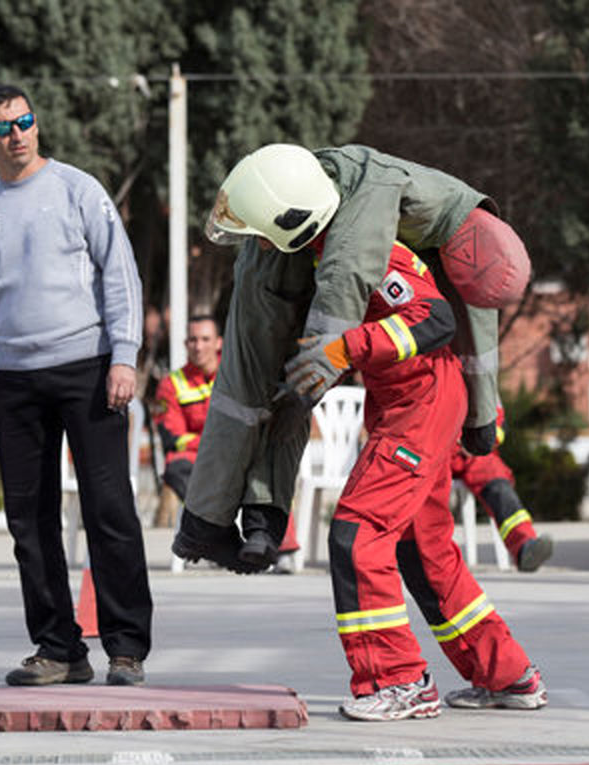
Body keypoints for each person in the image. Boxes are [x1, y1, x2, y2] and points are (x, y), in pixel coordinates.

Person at [171, 144, 531, 573]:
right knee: (257, 388)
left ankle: (255, 521)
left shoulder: (405, 217)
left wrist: (482, 415)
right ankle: (223, 523)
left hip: (409, 389)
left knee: (283, 390)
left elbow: (357, 279)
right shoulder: (353, 207)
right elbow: (350, 276)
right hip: (298, 275)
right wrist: (329, 355)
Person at [291, 236, 546, 720]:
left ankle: (399, 680)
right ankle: (507, 674)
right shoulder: (345, 247)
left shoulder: (368, 251)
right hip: (418, 403)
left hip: (419, 407)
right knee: (424, 554)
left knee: (357, 534)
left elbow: (432, 318)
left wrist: (344, 350)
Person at [0, 85, 152, 686]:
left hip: (87, 370)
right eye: (4, 127)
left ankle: (125, 648)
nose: (18, 134)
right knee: (29, 519)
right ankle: (59, 648)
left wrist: (124, 356)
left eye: (26, 121)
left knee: (109, 507)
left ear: (37, 125)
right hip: (13, 383)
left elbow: (121, 275)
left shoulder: (78, 189)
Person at [450, 406, 554, 572]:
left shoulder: (479, 381)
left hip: (473, 453)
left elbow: (495, 417)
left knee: (495, 477)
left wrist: (477, 440)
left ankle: (524, 546)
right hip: (430, 452)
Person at [153, 315, 222, 501]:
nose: (199, 347)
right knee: (176, 465)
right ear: (185, 344)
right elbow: (173, 438)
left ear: (219, 343)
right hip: (198, 459)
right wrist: (214, 446)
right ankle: (210, 525)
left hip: (238, 453)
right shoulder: (170, 384)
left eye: (205, 339)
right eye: (193, 340)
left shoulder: (237, 375)